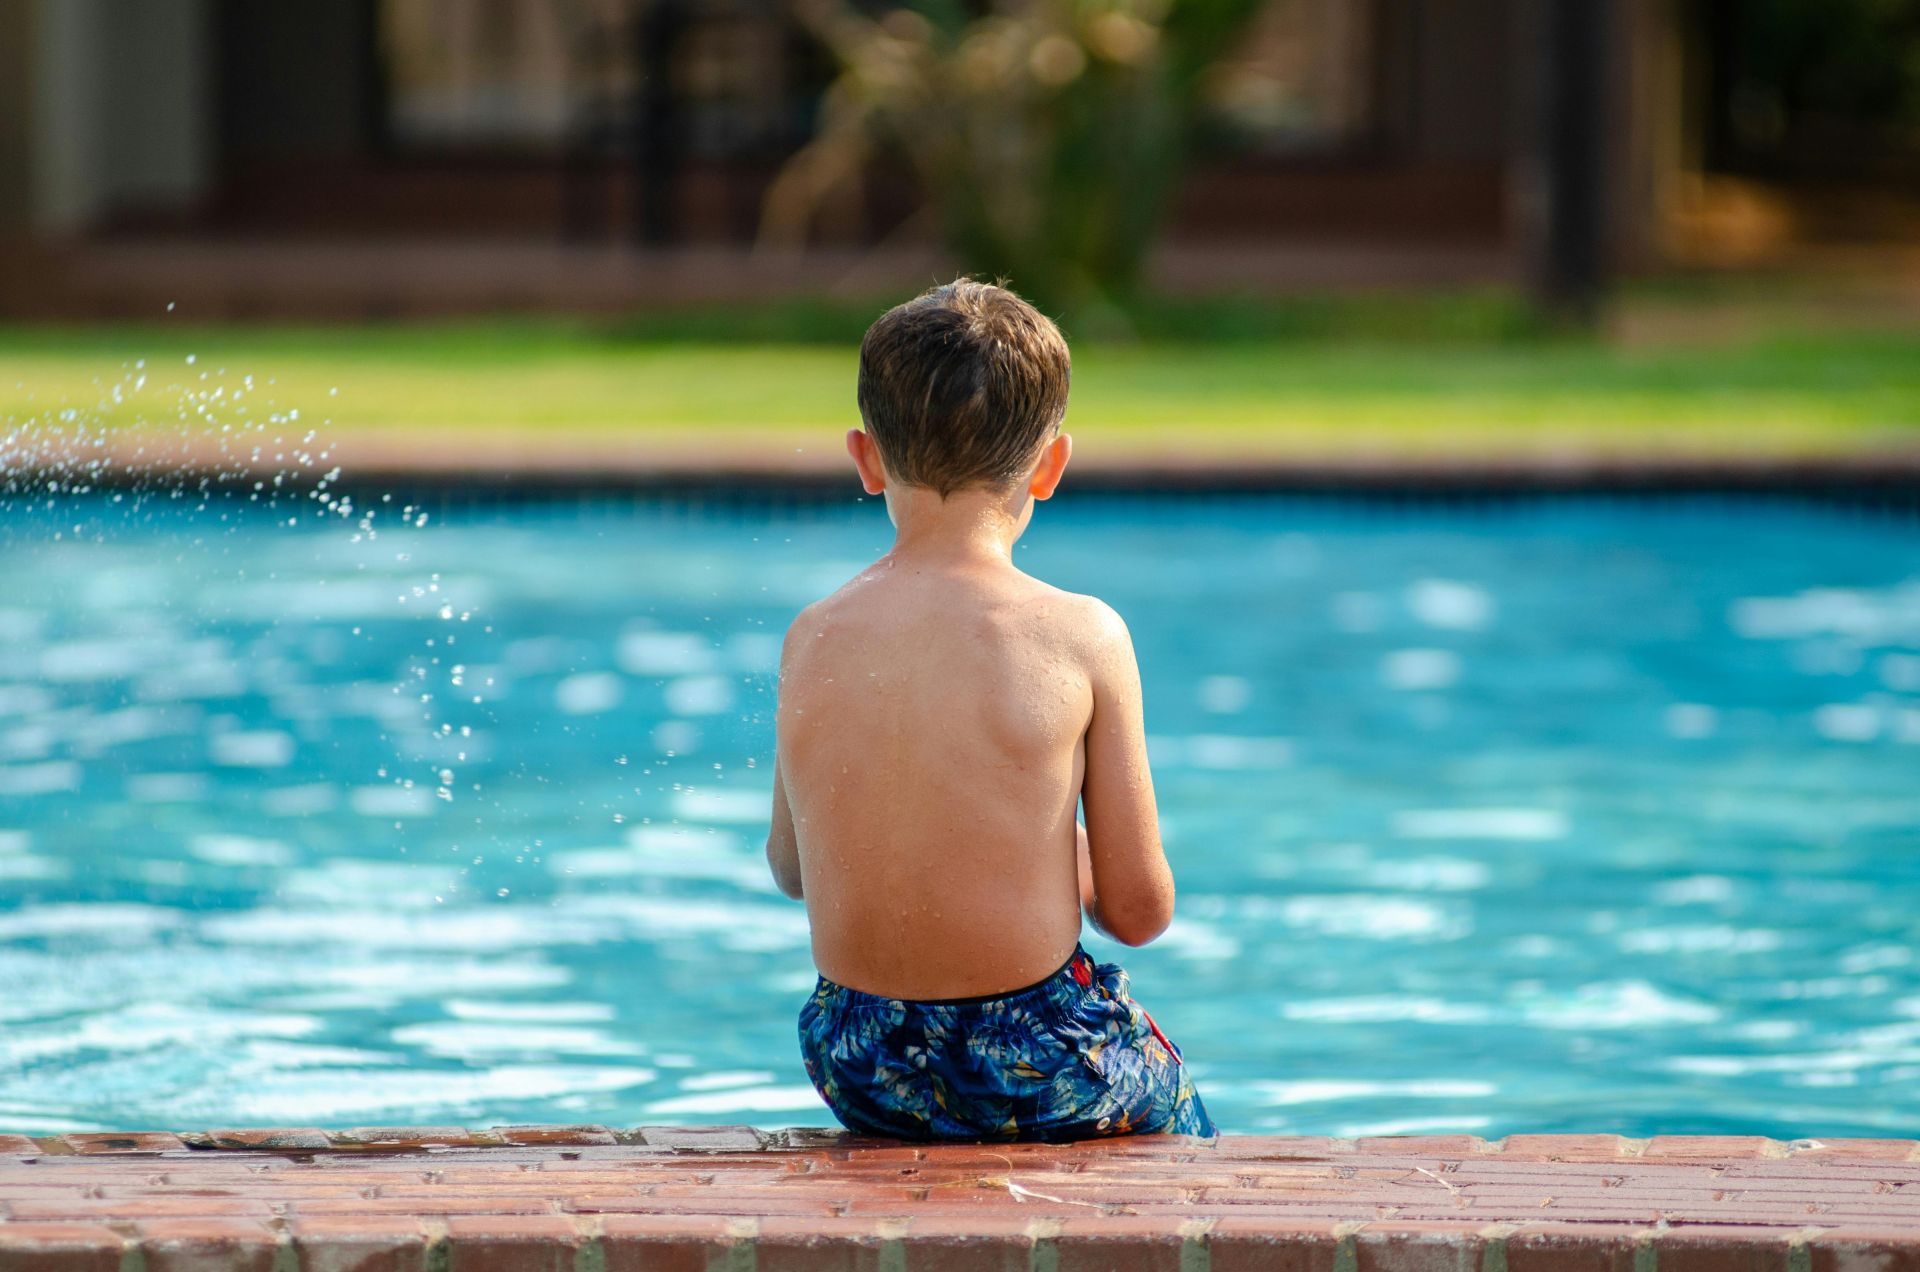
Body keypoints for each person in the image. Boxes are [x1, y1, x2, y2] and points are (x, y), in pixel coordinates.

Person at [763, 279, 1213, 1142]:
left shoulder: (811, 635)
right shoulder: (1083, 634)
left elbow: (792, 870)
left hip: (858, 1058)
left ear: (865, 458)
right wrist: (1060, 855)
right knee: (1183, 1122)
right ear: (1051, 465)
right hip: (1033, 1061)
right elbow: (1139, 913)